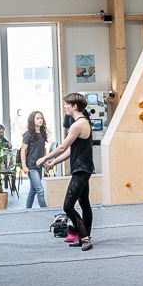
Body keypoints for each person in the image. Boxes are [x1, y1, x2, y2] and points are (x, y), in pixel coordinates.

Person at [38, 94, 94, 250]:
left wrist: (44, 158)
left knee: (68, 206)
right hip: (82, 168)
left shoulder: (78, 124)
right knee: (84, 204)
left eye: (67, 104)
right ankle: (86, 237)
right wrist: (54, 162)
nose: (65, 107)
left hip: (82, 169)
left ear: (74, 106)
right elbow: (70, 150)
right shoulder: (81, 122)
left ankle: (84, 237)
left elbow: (62, 147)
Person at [19, 111, 51, 210]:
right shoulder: (28, 135)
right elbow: (23, 150)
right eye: (37, 118)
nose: (40, 120)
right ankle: (45, 211)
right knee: (40, 190)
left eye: (41, 118)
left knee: (33, 190)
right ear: (32, 120)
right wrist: (24, 166)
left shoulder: (42, 134)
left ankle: (27, 209)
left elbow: (43, 149)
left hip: (39, 165)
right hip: (31, 166)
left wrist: (45, 161)